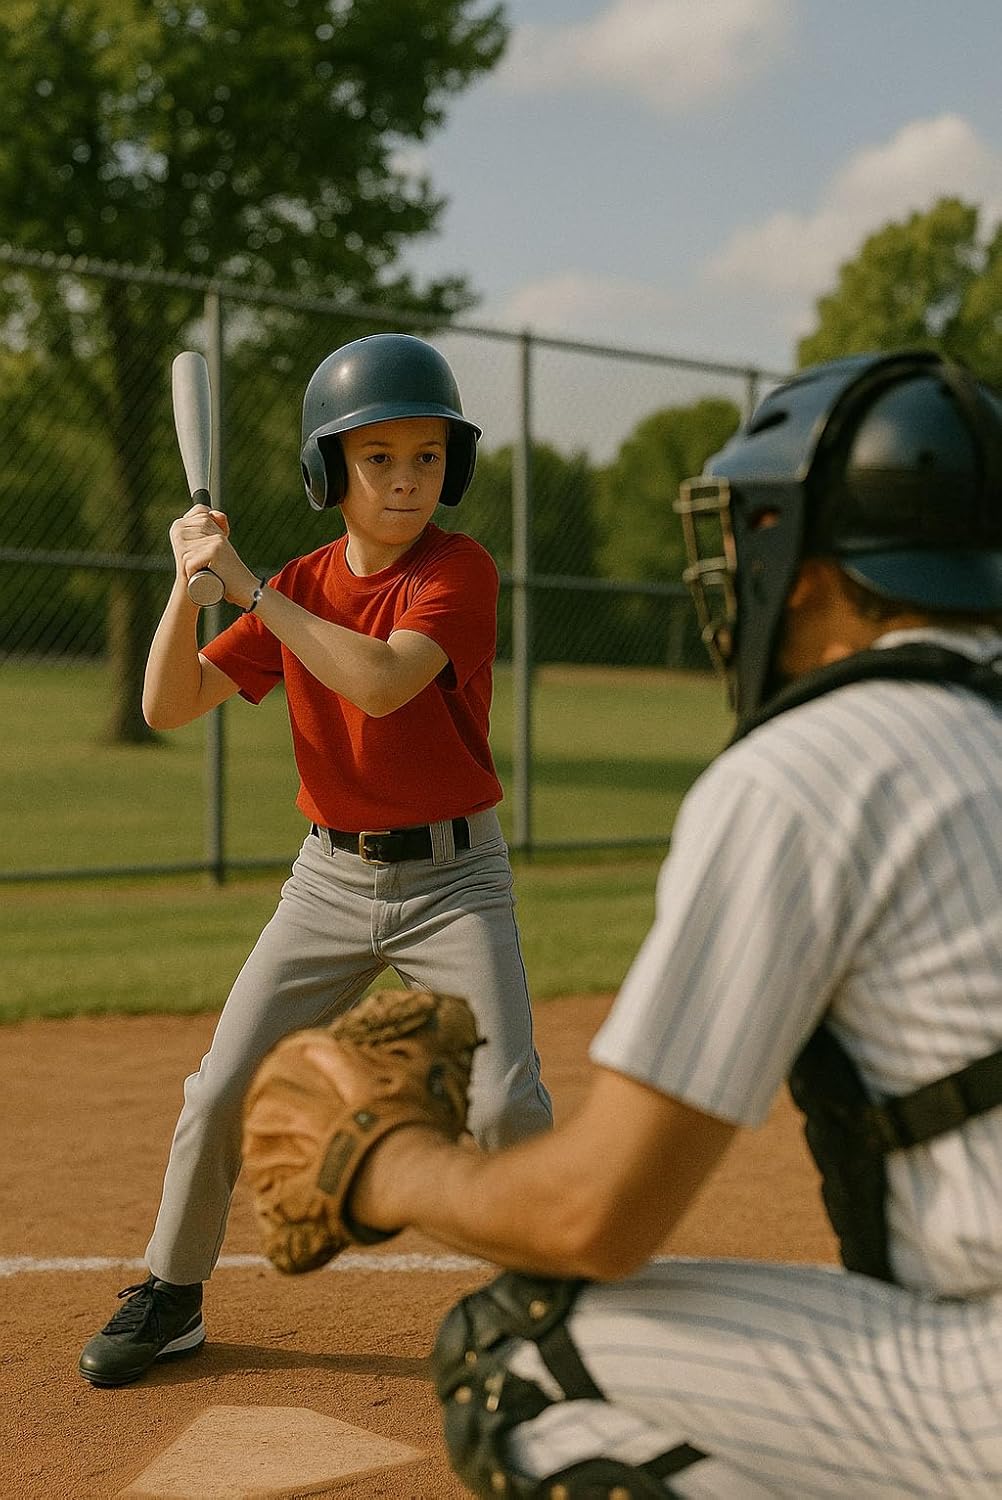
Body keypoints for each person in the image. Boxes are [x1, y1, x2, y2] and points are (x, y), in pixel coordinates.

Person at [304, 350, 1002, 1497]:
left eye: (751, 529)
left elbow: (596, 1215)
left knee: (519, 1358)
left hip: (982, 1382)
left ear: (815, 559)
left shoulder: (811, 766)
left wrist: (390, 1170)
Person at [78, 332, 552, 1388]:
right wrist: (187, 581)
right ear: (327, 473)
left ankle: (554, 1299)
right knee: (220, 1089)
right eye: (377, 457)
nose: (405, 478)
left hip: (453, 882)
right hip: (328, 882)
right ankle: (172, 1292)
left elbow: (381, 681)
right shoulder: (291, 581)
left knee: (506, 1102)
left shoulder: (457, 571)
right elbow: (167, 704)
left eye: (427, 456)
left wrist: (251, 592)